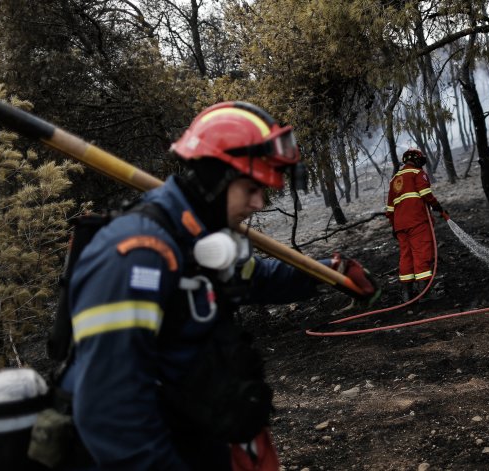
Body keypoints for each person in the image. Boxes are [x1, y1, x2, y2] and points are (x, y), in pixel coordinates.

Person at [56, 101, 376, 470]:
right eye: (252, 188)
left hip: (201, 434)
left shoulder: (193, 236)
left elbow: (255, 276)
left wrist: (328, 271)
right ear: (214, 177)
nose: (258, 202)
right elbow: (110, 411)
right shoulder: (137, 254)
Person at [385, 148, 449, 302]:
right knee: (421, 254)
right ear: (416, 160)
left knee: (406, 257)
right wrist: (438, 207)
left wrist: (394, 226)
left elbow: (390, 209)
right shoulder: (417, 173)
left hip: (400, 225)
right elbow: (426, 193)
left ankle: (407, 295)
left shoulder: (395, 179)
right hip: (417, 221)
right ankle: (424, 294)